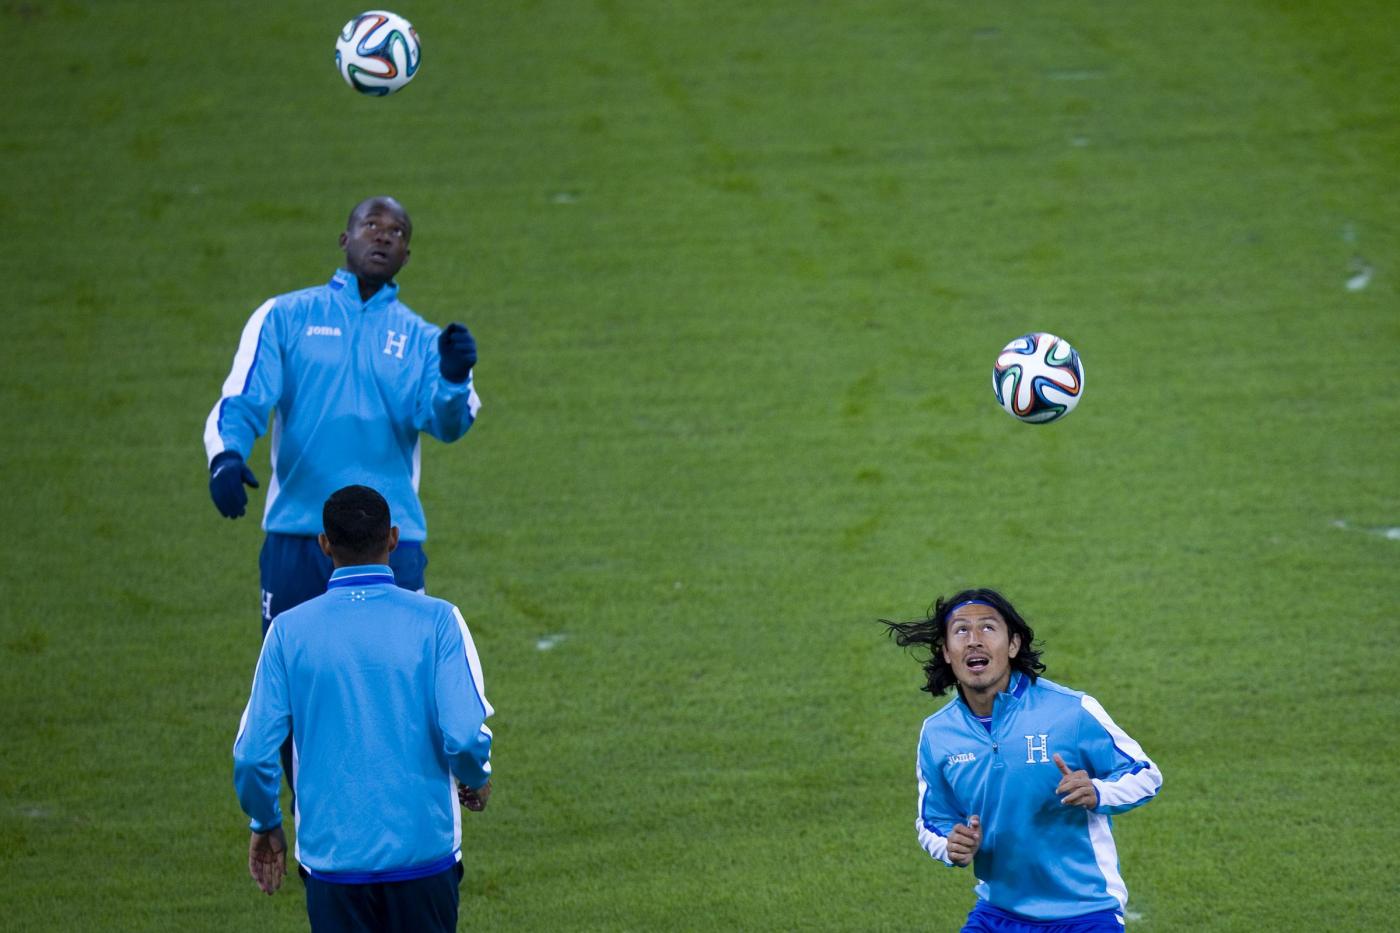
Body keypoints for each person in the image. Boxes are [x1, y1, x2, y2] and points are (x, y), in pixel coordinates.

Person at [204, 195, 480, 634]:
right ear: (344, 238)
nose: (384, 237)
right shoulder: (284, 316)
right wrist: (226, 456)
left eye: (397, 232)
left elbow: (450, 424)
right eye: (372, 225)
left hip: (388, 543)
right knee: (293, 673)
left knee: (393, 673)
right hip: (300, 535)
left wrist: (453, 377)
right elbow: (242, 397)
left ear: (406, 256)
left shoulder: (425, 341)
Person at [233, 484, 494, 932]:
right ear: (393, 538)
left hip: (333, 866)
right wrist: (477, 778)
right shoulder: (440, 621)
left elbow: (253, 755)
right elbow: (465, 737)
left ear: (324, 544)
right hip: (425, 860)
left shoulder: (287, 633)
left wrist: (266, 821)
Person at [884, 589, 1162, 933]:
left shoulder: (1070, 712)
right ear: (945, 652)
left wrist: (1098, 792)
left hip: (1087, 911)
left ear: (1013, 644)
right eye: (961, 630)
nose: (974, 640)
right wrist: (948, 844)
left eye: (988, 627)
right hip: (998, 913)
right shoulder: (937, 733)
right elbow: (933, 819)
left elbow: (1146, 774)